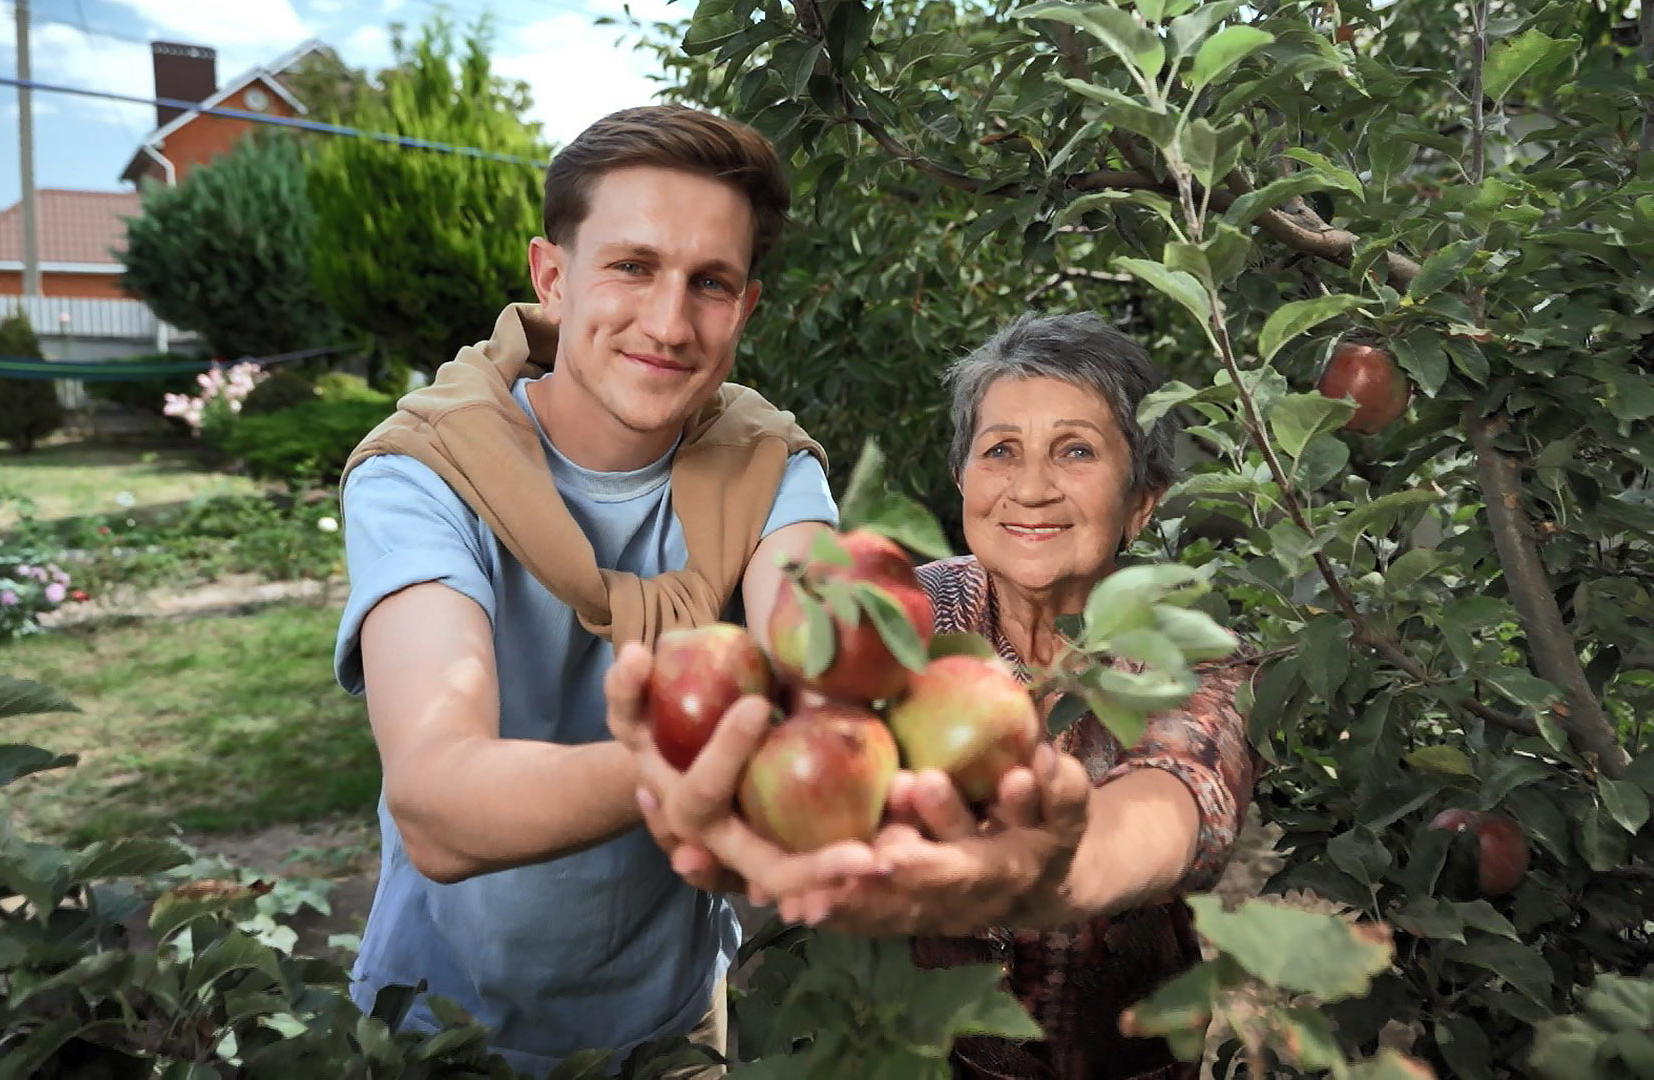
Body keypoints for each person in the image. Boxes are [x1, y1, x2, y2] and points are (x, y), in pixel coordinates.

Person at [331, 104, 881, 1076]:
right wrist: (693, 767)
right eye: (633, 266)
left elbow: (816, 658)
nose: (670, 324)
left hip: (672, 1030)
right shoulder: (423, 474)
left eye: (709, 283)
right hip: (442, 1030)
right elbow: (435, 800)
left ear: (744, 307)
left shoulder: (770, 469)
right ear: (552, 275)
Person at [610, 311, 1257, 1079]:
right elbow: (799, 727)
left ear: (1142, 499)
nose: (1031, 487)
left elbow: (1180, 799)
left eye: (1075, 450)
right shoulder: (898, 621)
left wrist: (1054, 872)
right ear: (962, 480)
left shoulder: (1189, 650)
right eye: (1000, 451)